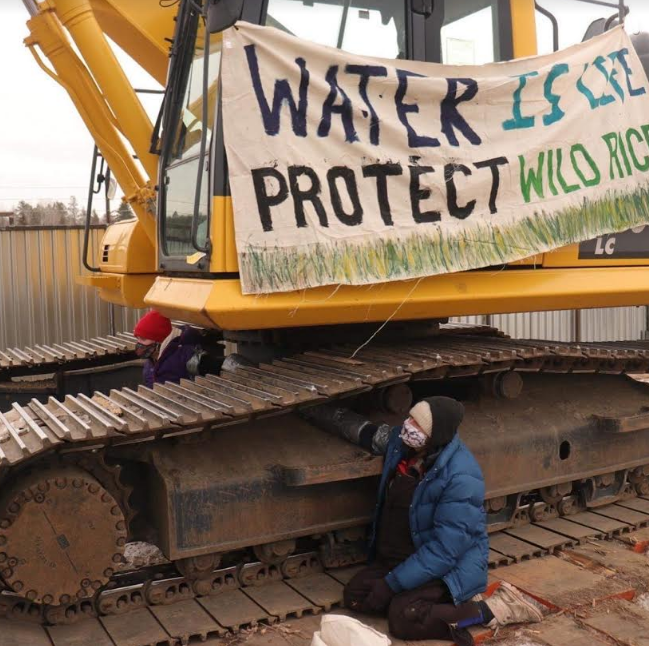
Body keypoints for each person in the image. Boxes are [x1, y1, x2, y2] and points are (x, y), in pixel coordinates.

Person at [302, 397, 542, 644]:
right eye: (410, 417)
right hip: (407, 554)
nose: (408, 425)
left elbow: (446, 550)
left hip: (448, 564)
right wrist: (313, 410)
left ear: (435, 434)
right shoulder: (403, 444)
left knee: (405, 619)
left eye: (417, 423)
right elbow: (368, 433)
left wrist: (392, 584)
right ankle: (431, 602)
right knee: (356, 596)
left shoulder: (461, 477)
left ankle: (490, 610)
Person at [133, 310, 204, 388]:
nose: (139, 343)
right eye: (137, 338)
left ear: (160, 341)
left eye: (143, 339)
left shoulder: (184, 356)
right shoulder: (151, 359)